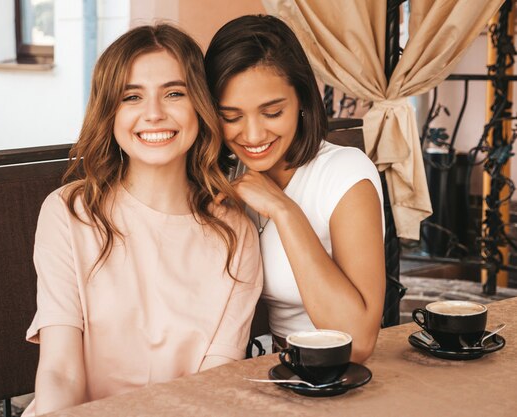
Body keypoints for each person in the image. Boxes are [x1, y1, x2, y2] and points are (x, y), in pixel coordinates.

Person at [22, 24, 263, 416]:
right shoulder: (69, 211)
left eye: (173, 93)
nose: (153, 114)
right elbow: (61, 372)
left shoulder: (236, 233)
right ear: (110, 113)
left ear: (199, 105)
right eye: (131, 96)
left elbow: (215, 384)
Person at [204, 14, 385, 363]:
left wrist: (284, 211)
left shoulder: (345, 173)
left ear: (302, 100)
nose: (253, 135)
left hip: (334, 376)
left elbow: (359, 341)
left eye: (272, 112)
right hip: (269, 369)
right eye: (231, 117)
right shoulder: (221, 176)